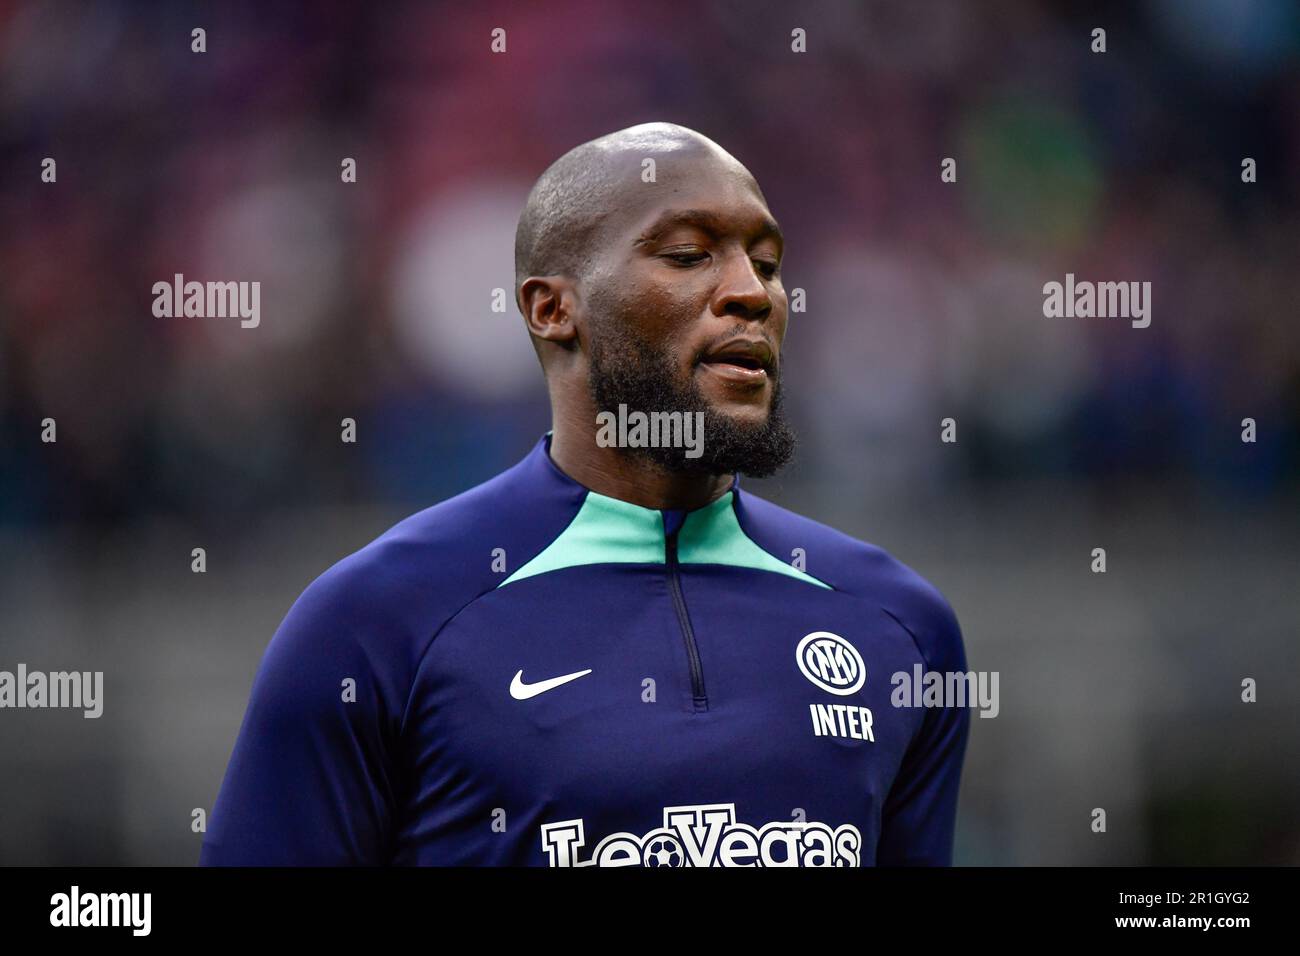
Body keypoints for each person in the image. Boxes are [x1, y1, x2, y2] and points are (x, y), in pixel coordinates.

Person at [200, 122, 970, 867]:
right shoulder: (375, 625)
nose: (751, 293)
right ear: (551, 309)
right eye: (687, 254)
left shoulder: (900, 628)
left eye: (766, 264)